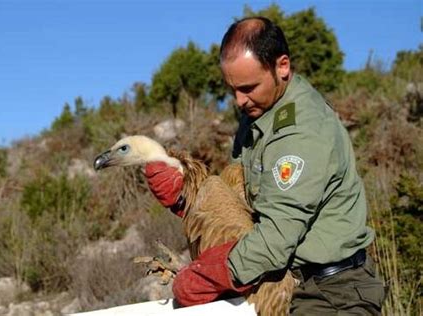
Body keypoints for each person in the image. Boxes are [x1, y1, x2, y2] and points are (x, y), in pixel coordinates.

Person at [144, 17, 386, 314]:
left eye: (248, 88)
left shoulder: (301, 132)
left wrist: (212, 275)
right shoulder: (260, 114)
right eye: (232, 89)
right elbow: (241, 197)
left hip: (332, 293)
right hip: (281, 281)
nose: (239, 101)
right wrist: (189, 196)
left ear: (282, 66)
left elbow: (275, 239)